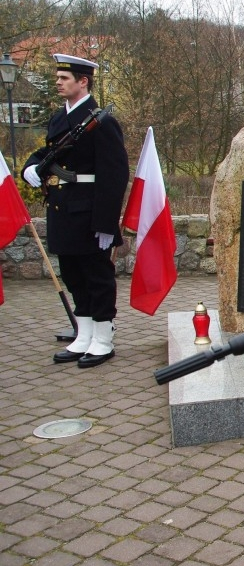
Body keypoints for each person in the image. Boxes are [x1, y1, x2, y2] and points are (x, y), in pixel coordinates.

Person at [22, 54, 129, 369]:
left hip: (88, 211)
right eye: (57, 77)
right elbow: (49, 151)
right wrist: (31, 166)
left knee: (96, 275)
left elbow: (114, 175)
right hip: (61, 206)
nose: (58, 81)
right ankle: (83, 335)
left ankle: (103, 338)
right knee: (72, 274)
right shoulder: (59, 118)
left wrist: (106, 223)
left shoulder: (102, 122)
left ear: (83, 81)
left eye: (64, 77)